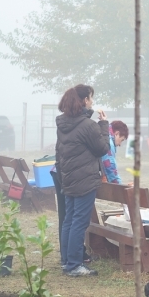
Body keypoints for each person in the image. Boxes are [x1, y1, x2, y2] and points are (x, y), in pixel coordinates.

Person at [55, 84, 109, 277]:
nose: (92, 101)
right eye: (90, 98)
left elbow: (59, 151)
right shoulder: (88, 125)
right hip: (85, 179)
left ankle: (67, 261)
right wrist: (104, 125)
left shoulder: (63, 124)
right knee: (79, 221)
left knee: (69, 220)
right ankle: (74, 265)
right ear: (85, 100)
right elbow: (102, 148)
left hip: (68, 177)